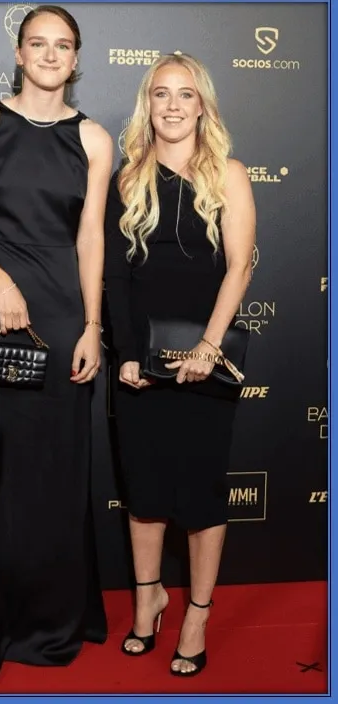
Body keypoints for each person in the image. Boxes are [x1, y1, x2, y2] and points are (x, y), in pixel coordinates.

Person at [0, 5, 113, 685]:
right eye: (36, 43)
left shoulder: (95, 138)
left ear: (76, 59)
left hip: (64, 309)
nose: (48, 54)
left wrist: (93, 326)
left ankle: (49, 624)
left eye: (61, 45)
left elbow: (91, 237)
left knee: (50, 472)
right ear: (18, 52)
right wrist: (1, 280)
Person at [103, 52, 255, 677]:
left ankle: (195, 612)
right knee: (143, 495)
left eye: (184, 94)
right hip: (141, 364)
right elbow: (117, 279)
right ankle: (149, 602)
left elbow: (240, 265)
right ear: (149, 104)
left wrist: (208, 347)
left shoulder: (230, 174)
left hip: (205, 360)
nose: (171, 105)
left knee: (199, 495)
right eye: (160, 93)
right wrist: (129, 354)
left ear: (202, 106)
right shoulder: (126, 178)